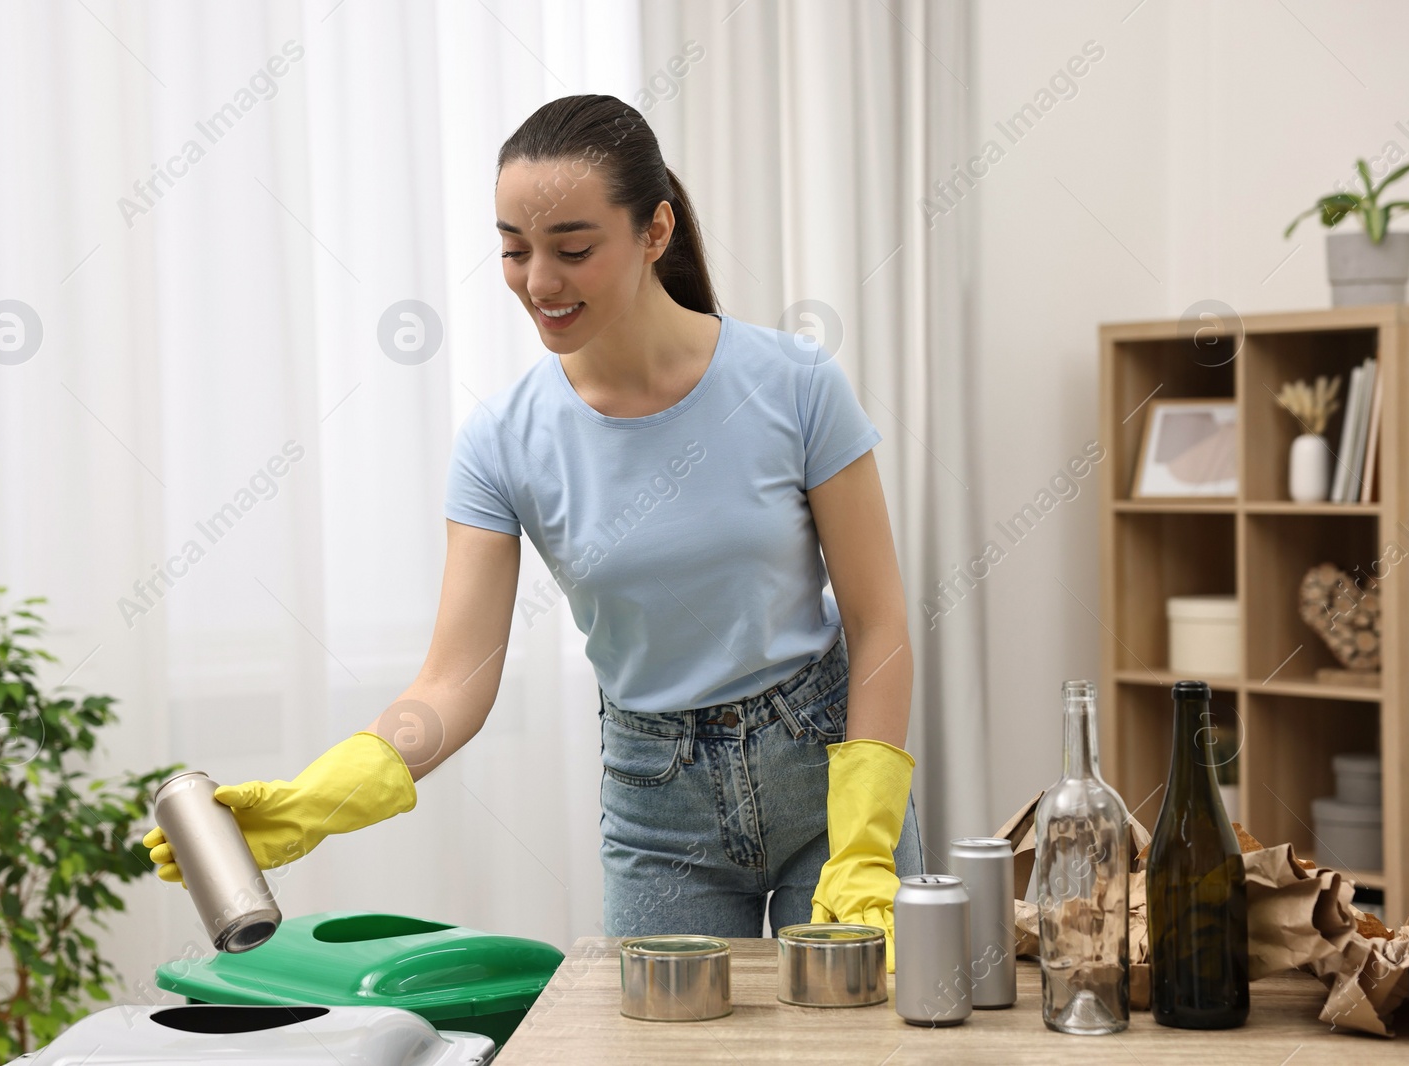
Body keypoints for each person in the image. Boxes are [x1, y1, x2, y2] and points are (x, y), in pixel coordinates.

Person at [143, 94, 923, 962]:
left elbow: (879, 621)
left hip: (830, 775)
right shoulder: (502, 442)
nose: (539, 283)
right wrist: (318, 798)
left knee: (863, 1042)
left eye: (573, 249)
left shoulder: (795, 384)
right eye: (514, 250)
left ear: (655, 230)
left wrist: (863, 841)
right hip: (659, 807)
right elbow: (452, 684)